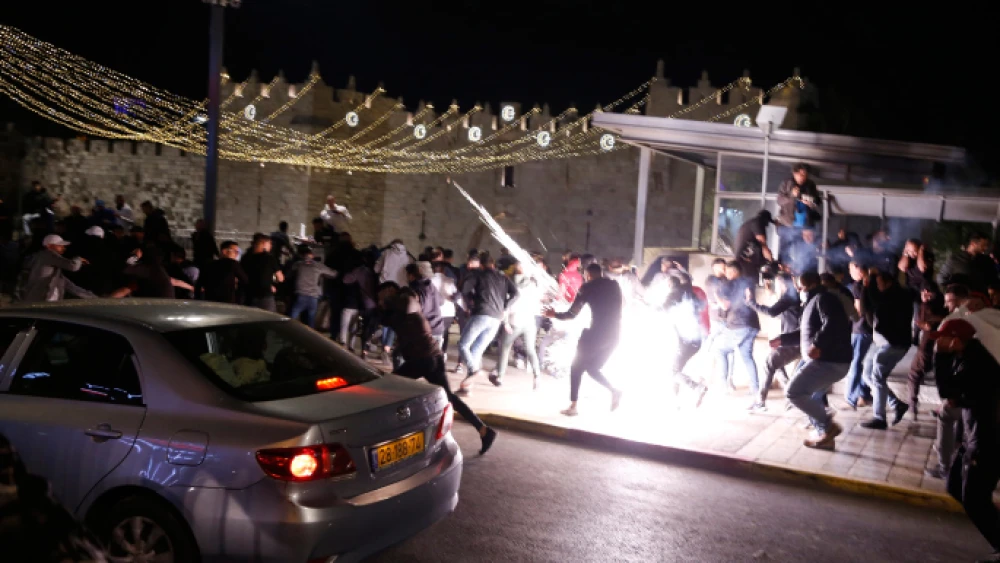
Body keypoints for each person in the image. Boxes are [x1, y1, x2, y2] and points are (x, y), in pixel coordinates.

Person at [385, 287, 498, 455]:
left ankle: (396, 431)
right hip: (432, 357)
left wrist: (388, 302)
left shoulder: (408, 309)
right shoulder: (409, 313)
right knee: (448, 397)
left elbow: (403, 309)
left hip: (424, 359)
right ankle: (483, 430)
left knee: (390, 386)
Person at [926, 319, 1000, 560]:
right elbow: (956, 393)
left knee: (975, 500)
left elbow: (948, 391)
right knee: (955, 484)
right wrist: (959, 397)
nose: (939, 343)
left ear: (956, 340)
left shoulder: (975, 363)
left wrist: (940, 357)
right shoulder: (968, 355)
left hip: (988, 439)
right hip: (975, 435)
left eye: (943, 338)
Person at [785, 270, 853, 450]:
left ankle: (828, 427)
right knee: (813, 397)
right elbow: (805, 332)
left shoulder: (824, 299)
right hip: (827, 360)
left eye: (802, 287)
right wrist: (782, 340)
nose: (800, 290)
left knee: (794, 392)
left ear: (812, 285)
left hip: (829, 361)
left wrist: (817, 344)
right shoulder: (813, 302)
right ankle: (825, 437)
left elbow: (834, 321)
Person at [544, 262, 623, 416]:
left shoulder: (587, 288)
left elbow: (571, 314)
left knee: (576, 367)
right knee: (592, 368)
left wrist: (554, 315)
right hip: (615, 335)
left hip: (596, 334)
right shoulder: (614, 285)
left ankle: (573, 406)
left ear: (588, 275)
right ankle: (615, 391)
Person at [456, 254, 519, 395]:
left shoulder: (479, 274)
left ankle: (473, 370)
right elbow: (516, 294)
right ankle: (466, 387)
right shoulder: (503, 277)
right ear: (493, 263)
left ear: (481, 265)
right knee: (476, 351)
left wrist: (471, 297)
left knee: (463, 345)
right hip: (496, 318)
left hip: (482, 313)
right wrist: (505, 307)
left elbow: (464, 289)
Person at [859, 271, 913, 429]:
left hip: (894, 343)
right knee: (868, 375)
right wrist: (866, 286)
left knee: (877, 376)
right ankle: (896, 404)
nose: (878, 286)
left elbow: (876, 301)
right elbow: (866, 309)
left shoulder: (897, 295)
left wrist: (867, 286)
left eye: (879, 283)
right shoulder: (887, 295)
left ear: (888, 282)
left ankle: (879, 418)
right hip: (880, 341)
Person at [749, 272, 802, 410]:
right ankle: (791, 396)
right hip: (792, 339)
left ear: (783, 284)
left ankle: (760, 402)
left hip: (793, 340)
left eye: (778, 283)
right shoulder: (792, 296)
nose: (777, 286)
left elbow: (772, 312)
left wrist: (751, 303)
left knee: (769, 364)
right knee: (777, 366)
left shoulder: (789, 297)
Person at [713, 261, 761, 405]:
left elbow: (725, 306)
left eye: (727, 272)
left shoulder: (729, 284)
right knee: (747, 356)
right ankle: (755, 388)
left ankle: (723, 387)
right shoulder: (748, 282)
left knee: (719, 350)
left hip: (738, 324)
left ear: (733, 272)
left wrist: (716, 293)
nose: (726, 275)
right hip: (752, 323)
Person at [492, 259, 543, 389]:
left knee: (505, 348)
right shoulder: (533, 285)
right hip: (529, 322)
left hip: (515, 321)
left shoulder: (511, 282)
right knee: (531, 349)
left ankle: (500, 377)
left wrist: (506, 322)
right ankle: (537, 376)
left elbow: (508, 304)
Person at [663, 271, 710, 407]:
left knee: (673, 371)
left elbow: (662, 308)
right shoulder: (691, 294)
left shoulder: (676, 294)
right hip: (694, 339)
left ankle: (697, 387)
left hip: (686, 341)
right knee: (676, 369)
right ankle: (675, 400)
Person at [906, 281, 947, 419]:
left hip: (928, 346)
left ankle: (912, 408)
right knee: (942, 379)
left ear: (927, 293)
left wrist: (923, 306)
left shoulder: (927, 305)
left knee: (914, 375)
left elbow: (923, 323)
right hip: (944, 348)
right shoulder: (944, 304)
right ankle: (944, 407)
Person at [20, 234, 97, 302]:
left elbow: (70, 286)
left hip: (38, 300)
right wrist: (78, 259)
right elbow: (72, 266)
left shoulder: (40, 258)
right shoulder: (48, 254)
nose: (63, 248)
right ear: (49, 246)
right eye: (59, 245)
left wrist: (93, 298)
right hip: (42, 301)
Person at [775, 163, 821, 259]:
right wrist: (792, 195)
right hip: (788, 223)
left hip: (804, 224)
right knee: (784, 250)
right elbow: (779, 200)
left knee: (803, 251)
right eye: (801, 174)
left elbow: (818, 200)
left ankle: (800, 271)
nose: (803, 177)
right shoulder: (786, 184)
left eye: (805, 175)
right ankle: (783, 268)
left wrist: (811, 202)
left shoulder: (810, 184)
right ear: (794, 174)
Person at [287, 245, 338, 328]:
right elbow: (333, 274)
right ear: (312, 255)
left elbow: (289, 275)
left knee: (291, 319)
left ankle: (286, 332)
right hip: (313, 297)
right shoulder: (318, 265)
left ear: (302, 255)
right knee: (311, 321)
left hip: (300, 295)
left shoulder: (297, 264)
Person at [240, 233, 284, 312]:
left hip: (248, 296)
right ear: (264, 244)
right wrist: (271, 283)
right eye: (270, 243)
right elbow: (280, 278)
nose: (271, 246)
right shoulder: (269, 258)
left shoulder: (246, 257)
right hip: (265, 297)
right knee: (269, 321)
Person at [406, 262, 445, 348]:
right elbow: (441, 301)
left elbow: (419, 310)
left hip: (426, 330)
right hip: (438, 327)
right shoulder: (431, 285)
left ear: (411, 275)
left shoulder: (416, 289)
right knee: (434, 359)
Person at [732, 210, 774, 280]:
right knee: (751, 280)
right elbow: (763, 245)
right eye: (768, 222)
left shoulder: (751, 222)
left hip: (745, 257)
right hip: (744, 259)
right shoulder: (757, 223)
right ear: (765, 220)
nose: (767, 225)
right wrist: (771, 261)